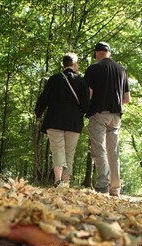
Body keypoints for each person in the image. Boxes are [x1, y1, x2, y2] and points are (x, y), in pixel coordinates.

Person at [35, 52, 90, 187]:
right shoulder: (82, 82)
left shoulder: (54, 79)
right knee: (69, 153)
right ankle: (65, 182)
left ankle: (58, 181)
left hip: (54, 121)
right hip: (74, 123)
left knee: (57, 150)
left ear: (63, 64)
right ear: (75, 64)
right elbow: (86, 105)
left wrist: (38, 112)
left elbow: (43, 99)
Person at [84, 41, 131, 196]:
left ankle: (103, 185)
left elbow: (88, 94)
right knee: (114, 152)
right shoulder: (122, 70)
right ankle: (115, 188)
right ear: (109, 52)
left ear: (97, 53)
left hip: (99, 114)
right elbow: (126, 99)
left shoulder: (94, 69)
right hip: (116, 116)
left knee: (99, 150)